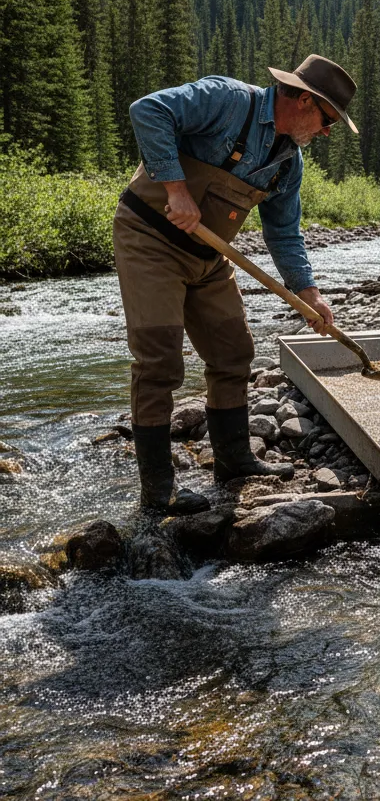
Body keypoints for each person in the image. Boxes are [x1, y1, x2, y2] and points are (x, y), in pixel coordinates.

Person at [113, 55, 358, 514]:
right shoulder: (227, 100)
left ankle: (234, 459)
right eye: (327, 120)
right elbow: (147, 110)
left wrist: (310, 295)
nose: (326, 132)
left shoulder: (288, 162)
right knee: (160, 361)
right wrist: (176, 189)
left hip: (208, 256)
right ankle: (158, 491)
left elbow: (283, 233)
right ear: (305, 100)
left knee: (233, 353)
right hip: (149, 240)